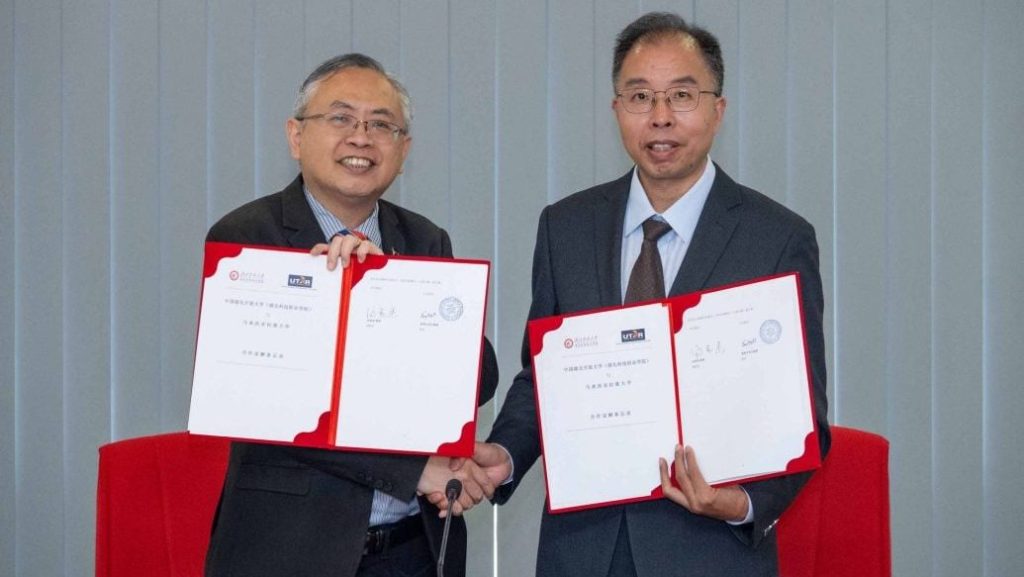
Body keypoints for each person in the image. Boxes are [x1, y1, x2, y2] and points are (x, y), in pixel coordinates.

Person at [467, 12, 831, 576]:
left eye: (682, 95)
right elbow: (543, 377)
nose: (660, 116)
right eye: (640, 96)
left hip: (709, 550)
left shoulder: (776, 238)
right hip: (582, 551)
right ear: (617, 109)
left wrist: (740, 503)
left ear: (718, 109)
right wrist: (506, 453)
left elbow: (803, 410)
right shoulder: (566, 226)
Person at [203, 53, 498, 577]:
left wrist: (391, 294)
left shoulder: (423, 239)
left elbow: (478, 380)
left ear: (403, 151)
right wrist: (410, 470)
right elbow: (266, 403)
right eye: (341, 118)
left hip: (412, 550)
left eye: (381, 125)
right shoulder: (248, 237)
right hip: (290, 551)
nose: (361, 138)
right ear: (296, 137)